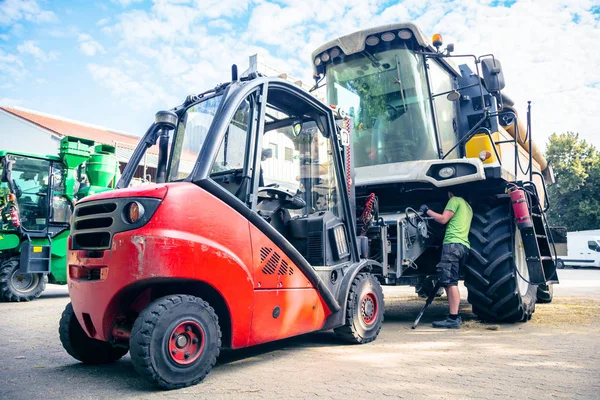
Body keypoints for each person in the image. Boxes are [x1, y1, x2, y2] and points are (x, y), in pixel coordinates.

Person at [420, 190, 472, 329]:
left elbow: (443, 219)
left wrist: (427, 210)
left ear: (450, 192)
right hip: (463, 246)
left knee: (450, 282)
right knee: (451, 281)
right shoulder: (468, 207)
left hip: (452, 245)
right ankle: (454, 316)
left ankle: (453, 318)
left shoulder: (454, 200)